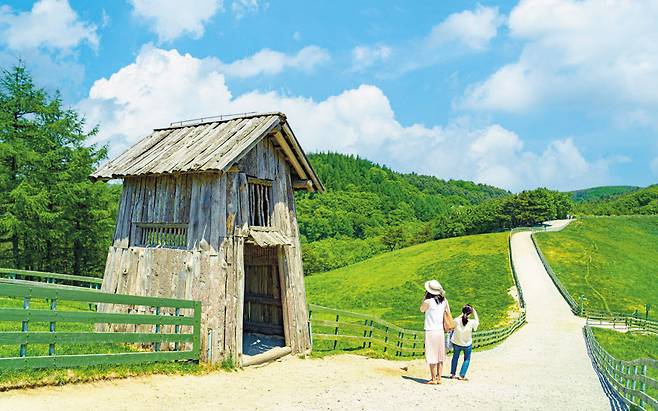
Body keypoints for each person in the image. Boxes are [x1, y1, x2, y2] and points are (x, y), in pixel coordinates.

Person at [420, 279, 450, 385]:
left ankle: (433, 378)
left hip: (430, 330)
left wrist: (424, 297)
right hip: (440, 330)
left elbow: (421, 309)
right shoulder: (444, 301)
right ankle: (439, 378)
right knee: (440, 354)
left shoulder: (428, 302)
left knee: (432, 354)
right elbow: (448, 312)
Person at [450, 304, 479, 381]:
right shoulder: (472, 322)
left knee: (455, 358)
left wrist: (462, 314)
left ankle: (453, 374)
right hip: (467, 344)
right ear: (470, 313)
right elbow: (477, 322)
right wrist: (475, 312)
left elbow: (451, 324)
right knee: (467, 359)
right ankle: (462, 375)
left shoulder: (457, 320)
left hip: (456, 343)